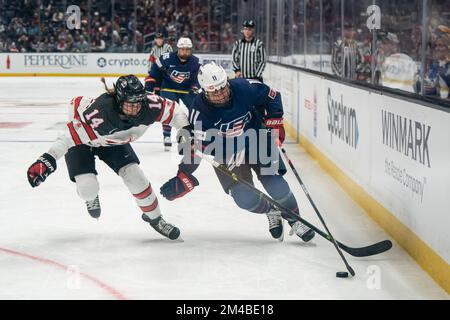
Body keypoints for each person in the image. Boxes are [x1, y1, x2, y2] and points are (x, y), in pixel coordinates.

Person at [160, 62, 315, 242]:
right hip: (226, 152)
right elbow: (197, 147)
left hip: (256, 137)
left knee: (274, 182)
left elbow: (272, 96)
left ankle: (295, 220)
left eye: (222, 88)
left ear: (227, 83)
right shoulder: (199, 112)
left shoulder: (243, 87)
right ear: (204, 91)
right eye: (214, 91)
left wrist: (274, 121)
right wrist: (184, 173)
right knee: (244, 198)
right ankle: (271, 210)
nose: (220, 95)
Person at [26, 75, 189, 240]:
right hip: (84, 142)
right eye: (129, 104)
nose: (135, 109)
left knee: (135, 177)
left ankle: (155, 219)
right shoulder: (100, 115)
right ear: (118, 101)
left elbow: (175, 111)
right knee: (88, 189)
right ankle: (91, 197)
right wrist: (46, 160)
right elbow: (67, 138)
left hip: (113, 141)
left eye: (137, 103)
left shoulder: (150, 105)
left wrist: (185, 130)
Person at [145, 37, 200, 151]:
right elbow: (155, 68)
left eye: (187, 49)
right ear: (178, 49)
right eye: (182, 49)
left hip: (186, 90)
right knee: (168, 110)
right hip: (168, 88)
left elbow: (198, 78)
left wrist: (196, 86)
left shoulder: (195, 62)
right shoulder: (167, 58)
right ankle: (167, 136)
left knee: (196, 109)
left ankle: (193, 135)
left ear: (190, 50)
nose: (184, 52)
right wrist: (151, 85)